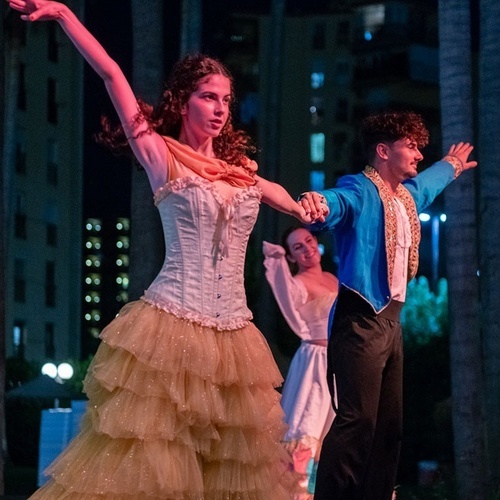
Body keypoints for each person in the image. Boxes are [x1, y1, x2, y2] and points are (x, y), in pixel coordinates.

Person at [7, 0, 322, 497]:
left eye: (225, 99)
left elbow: (279, 195)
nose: (219, 109)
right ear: (183, 100)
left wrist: (306, 207)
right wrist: (66, 15)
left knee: (228, 469)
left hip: (235, 337)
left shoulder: (240, 171)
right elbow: (112, 75)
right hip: (171, 324)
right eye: (207, 96)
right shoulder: (160, 153)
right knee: (156, 467)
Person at [298, 110, 477, 500]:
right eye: (410, 146)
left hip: (391, 323)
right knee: (357, 420)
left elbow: (429, 185)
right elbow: (336, 201)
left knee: (388, 425)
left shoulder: (407, 199)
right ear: (383, 151)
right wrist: (318, 202)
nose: (417, 154)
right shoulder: (360, 189)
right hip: (360, 319)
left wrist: (452, 165)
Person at [263, 226, 339, 499]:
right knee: (305, 429)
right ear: (293, 257)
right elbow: (283, 288)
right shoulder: (298, 284)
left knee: (336, 433)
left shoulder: (332, 277)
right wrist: (276, 261)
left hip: (341, 364)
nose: (307, 249)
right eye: (298, 247)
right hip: (314, 366)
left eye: (308, 241)